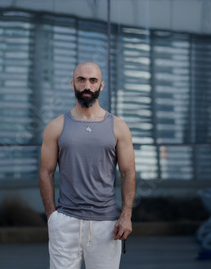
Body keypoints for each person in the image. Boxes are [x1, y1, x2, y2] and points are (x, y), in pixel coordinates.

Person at [40, 61, 136, 269]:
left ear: (101, 85)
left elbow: (128, 172)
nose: (87, 86)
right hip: (65, 222)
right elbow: (45, 172)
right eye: (81, 80)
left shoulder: (118, 127)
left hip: (106, 224)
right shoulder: (56, 126)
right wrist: (52, 217)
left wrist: (126, 216)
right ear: (72, 84)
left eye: (93, 80)